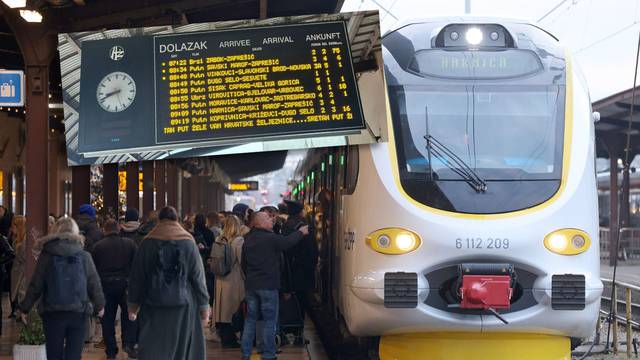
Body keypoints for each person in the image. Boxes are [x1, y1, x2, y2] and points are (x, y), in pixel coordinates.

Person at [127, 206, 210, 360]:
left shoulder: (148, 242)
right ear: (177, 219)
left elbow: (137, 277)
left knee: (154, 346)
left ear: (159, 220)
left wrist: (133, 305)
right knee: (182, 347)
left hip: (152, 303)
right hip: (184, 306)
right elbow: (198, 277)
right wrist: (204, 307)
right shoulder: (188, 242)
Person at [18, 217, 105, 360]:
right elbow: (94, 282)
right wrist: (100, 305)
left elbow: (36, 283)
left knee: (53, 354)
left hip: (52, 313)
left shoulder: (47, 255)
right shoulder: (84, 256)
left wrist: (25, 307)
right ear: (75, 232)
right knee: (74, 355)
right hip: (78, 312)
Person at [240, 212, 309, 360]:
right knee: (269, 321)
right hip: (268, 286)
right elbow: (287, 242)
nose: (271, 220)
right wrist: (301, 232)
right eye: (267, 218)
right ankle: (268, 354)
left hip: (252, 286)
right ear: (258, 223)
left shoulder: (248, 239)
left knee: (251, 320)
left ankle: (245, 354)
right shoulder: (270, 238)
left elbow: (243, 264)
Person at [92, 220, 138, 359]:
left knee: (107, 319)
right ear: (118, 229)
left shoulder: (98, 247)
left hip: (105, 286)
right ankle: (128, 344)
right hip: (125, 285)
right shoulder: (129, 244)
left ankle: (111, 351)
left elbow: (93, 270)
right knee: (128, 315)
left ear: (105, 230)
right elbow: (136, 265)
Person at [212, 215, 244, 348]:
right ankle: (231, 339)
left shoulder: (219, 239)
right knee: (233, 309)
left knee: (222, 310)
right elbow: (242, 262)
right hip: (234, 279)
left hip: (220, 279)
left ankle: (225, 338)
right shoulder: (239, 240)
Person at [10, 216, 27, 319]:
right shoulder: (17, 240)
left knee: (22, 295)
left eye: (13, 226)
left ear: (18, 227)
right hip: (18, 272)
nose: (11, 229)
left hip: (22, 274)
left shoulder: (24, 241)